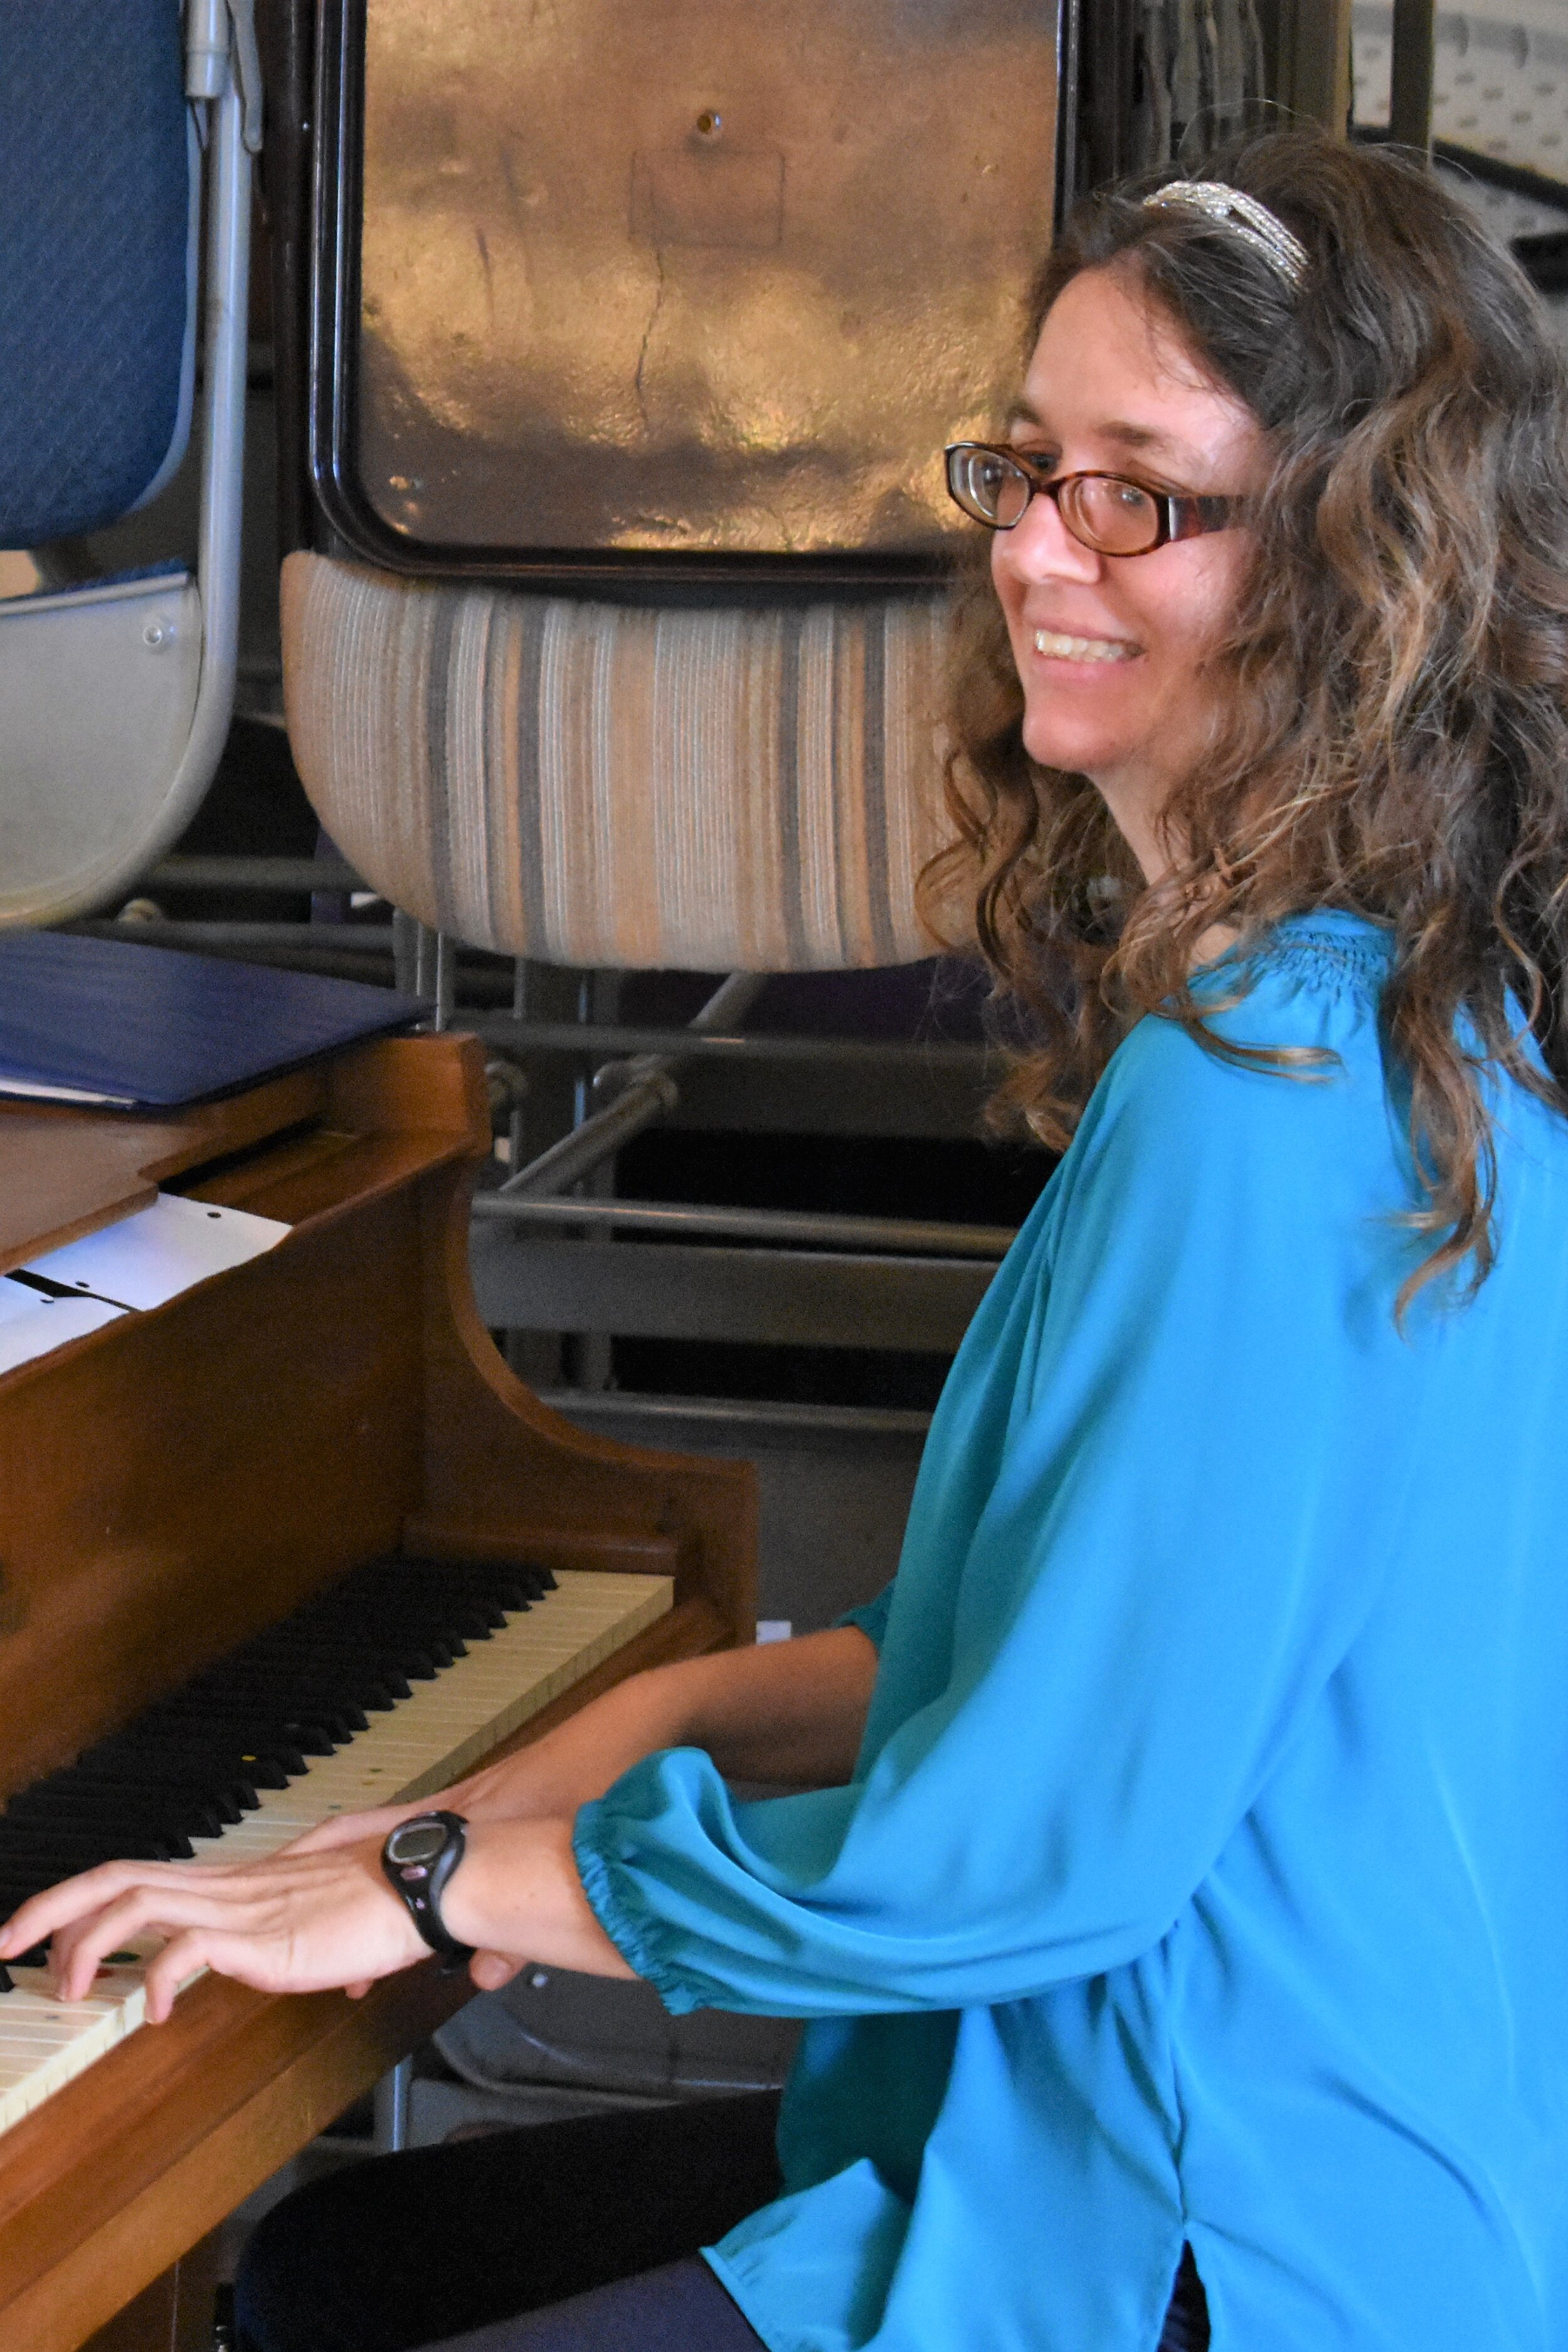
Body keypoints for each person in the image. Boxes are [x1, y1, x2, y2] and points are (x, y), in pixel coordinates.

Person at [7, 125, 1568, 2352]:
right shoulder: (1417, 1009)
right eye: (1024, 466)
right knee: (345, 2265)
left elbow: (1036, 1853)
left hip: (1196, 2225)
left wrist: (444, 1881)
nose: (1039, 550)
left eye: (1139, 490)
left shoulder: (1265, 1095)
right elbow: (1034, 1665)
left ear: (1359, 562)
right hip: (1328, 2148)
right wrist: (561, 1765)